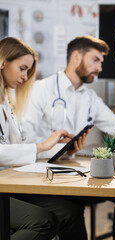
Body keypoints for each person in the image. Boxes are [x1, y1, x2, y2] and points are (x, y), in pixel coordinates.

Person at [20, 36, 115, 240]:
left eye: (101, 62)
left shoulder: (89, 96)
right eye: (95, 60)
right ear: (76, 57)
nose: (100, 67)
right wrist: (58, 148)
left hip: (79, 171)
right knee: (72, 204)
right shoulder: (41, 90)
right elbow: (27, 140)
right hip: (48, 174)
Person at [0, 37, 87, 240]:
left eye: (28, 71)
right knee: (42, 222)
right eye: (22, 68)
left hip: (9, 183)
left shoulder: (6, 104)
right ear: (3, 62)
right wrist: (40, 146)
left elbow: (18, 148)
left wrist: (61, 150)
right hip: (4, 187)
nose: (25, 76)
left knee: (70, 211)